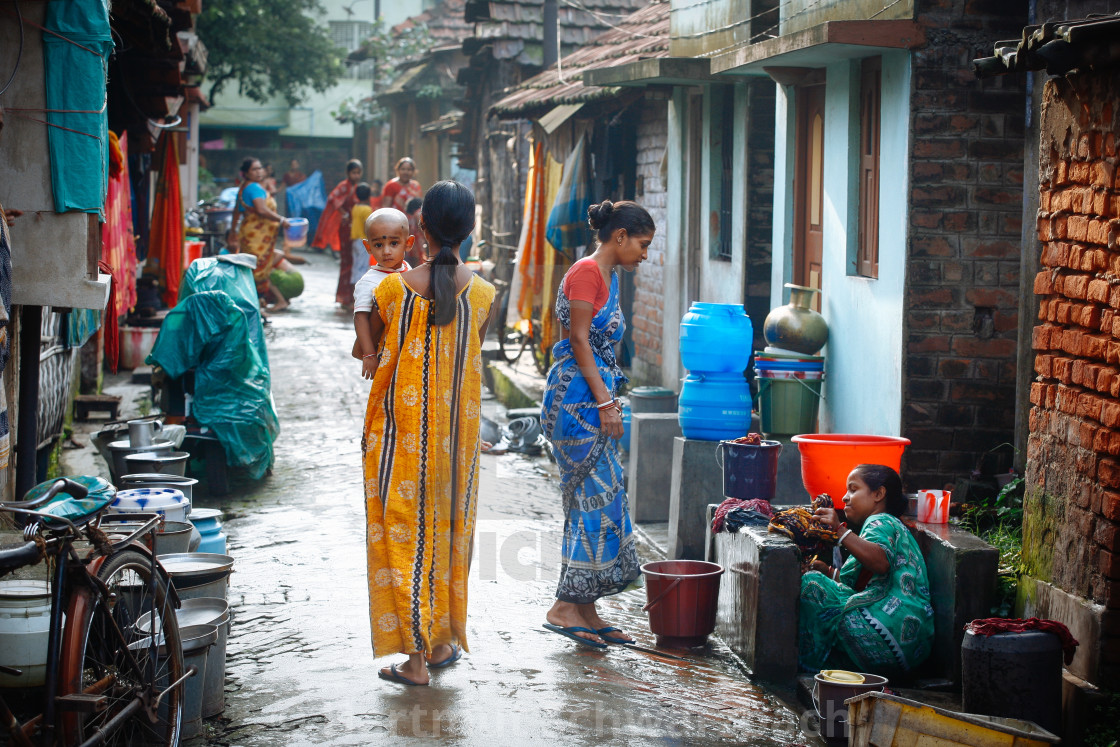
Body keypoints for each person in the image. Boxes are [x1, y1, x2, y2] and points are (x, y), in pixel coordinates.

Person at [361, 181, 495, 686]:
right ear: (471, 228)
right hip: (457, 447)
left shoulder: (391, 290)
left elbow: (368, 355)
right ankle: (440, 645)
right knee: (448, 538)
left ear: (419, 229)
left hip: (398, 439)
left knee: (403, 541)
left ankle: (414, 663)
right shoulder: (483, 294)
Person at [540, 200, 654, 648]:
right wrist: (606, 404)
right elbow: (580, 340)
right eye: (642, 244)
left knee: (602, 502)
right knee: (591, 501)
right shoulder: (587, 272)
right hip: (577, 403)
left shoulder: (609, 276)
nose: (645, 254)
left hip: (594, 399)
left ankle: (586, 608)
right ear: (620, 236)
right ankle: (564, 606)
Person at [800, 464, 935, 676]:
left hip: (888, 630)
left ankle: (811, 668)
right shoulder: (892, 528)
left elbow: (880, 562)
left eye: (853, 490)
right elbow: (859, 582)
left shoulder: (880, 520)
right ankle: (840, 668)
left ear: (879, 494)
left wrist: (839, 530)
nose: (845, 497)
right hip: (910, 649)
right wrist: (827, 571)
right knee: (819, 578)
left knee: (811, 584)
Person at [352, 208, 413, 379]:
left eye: (394, 243)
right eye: (378, 245)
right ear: (368, 246)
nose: (386, 251)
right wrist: (369, 354)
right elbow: (360, 318)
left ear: (408, 243)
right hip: (384, 353)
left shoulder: (409, 270)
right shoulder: (369, 282)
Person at [230, 157, 290, 311]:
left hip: (249, 235)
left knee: (250, 269)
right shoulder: (254, 188)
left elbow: (236, 211)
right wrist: (282, 219)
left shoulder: (244, 187)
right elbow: (261, 209)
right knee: (257, 271)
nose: (259, 171)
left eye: (260, 168)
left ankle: (254, 306)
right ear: (246, 173)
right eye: (254, 169)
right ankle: (255, 307)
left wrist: (233, 233)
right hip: (256, 239)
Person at [310, 158, 362, 270]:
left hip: (353, 224)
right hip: (344, 223)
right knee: (346, 253)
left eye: (358, 173)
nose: (356, 176)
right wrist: (344, 213)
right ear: (348, 173)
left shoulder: (357, 187)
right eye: (354, 173)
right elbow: (332, 198)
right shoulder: (344, 186)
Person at [350, 183, 374, 288]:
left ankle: (354, 288)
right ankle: (360, 289)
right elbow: (367, 225)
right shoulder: (367, 210)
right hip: (363, 240)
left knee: (356, 265)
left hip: (355, 239)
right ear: (369, 196)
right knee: (362, 266)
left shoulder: (355, 207)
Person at [403, 197, 425, 266]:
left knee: (417, 260)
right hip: (418, 240)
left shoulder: (416, 214)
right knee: (420, 259)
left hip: (415, 240)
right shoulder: (419, 213)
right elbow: (422, 230)